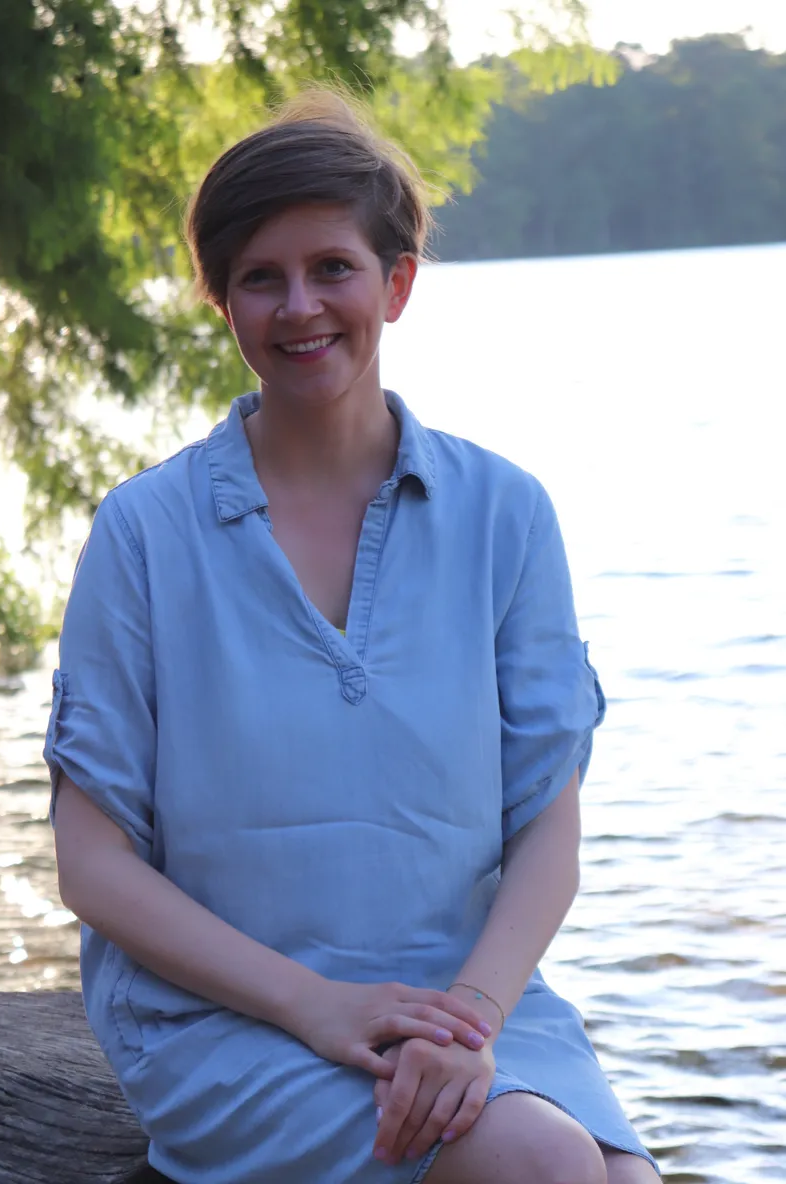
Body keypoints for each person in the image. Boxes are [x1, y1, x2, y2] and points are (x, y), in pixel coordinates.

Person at [45, 90, 660, 1184]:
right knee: (539, 1166)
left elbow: (546, 830)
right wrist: (316, 1002)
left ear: (398, 282)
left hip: (466, 1002)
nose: (299, 307)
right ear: (220, 303)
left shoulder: (504, 513)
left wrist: (470, 1013)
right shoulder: (144, 533)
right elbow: (94, 867)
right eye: (258, 277)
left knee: (617, 1177)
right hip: (228, 1019)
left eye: (332, 265)